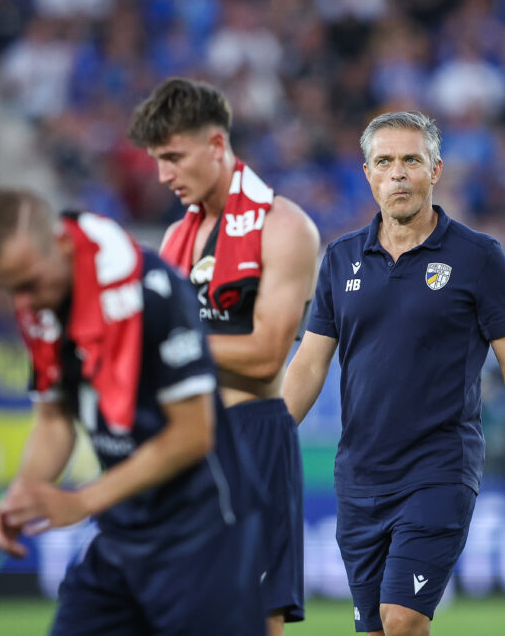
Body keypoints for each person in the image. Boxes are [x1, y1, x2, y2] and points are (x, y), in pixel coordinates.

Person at [284, 111, 505, 636]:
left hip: (439, 468)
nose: (398, 173)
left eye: (412, 160)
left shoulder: (478, 257)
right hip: (359, 475)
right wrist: (266, 438)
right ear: (367, 174)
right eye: (384, 162)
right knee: (375, 630)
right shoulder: (341, 259)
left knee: (404, 620)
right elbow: (310, 362)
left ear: (436, 170)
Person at [0, 188, 265, 635]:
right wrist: (22, 494)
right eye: (10, 289)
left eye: (28, 283)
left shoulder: (153, 290)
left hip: (204, 533)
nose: (24, 303)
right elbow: (54, 420)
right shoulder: (43, 308)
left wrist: (82, 501)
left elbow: (193, 434)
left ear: (62, 245)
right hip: (123, 534)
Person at [128, 77, 319, 636]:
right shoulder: (172, 241)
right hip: (186, 439)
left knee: (253, 621)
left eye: (173, 157)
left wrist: (170, 344)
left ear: (216, 146)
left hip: (251, 437)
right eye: (157, 160)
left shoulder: (285, 227)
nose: (164, 175)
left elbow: (265, 357)